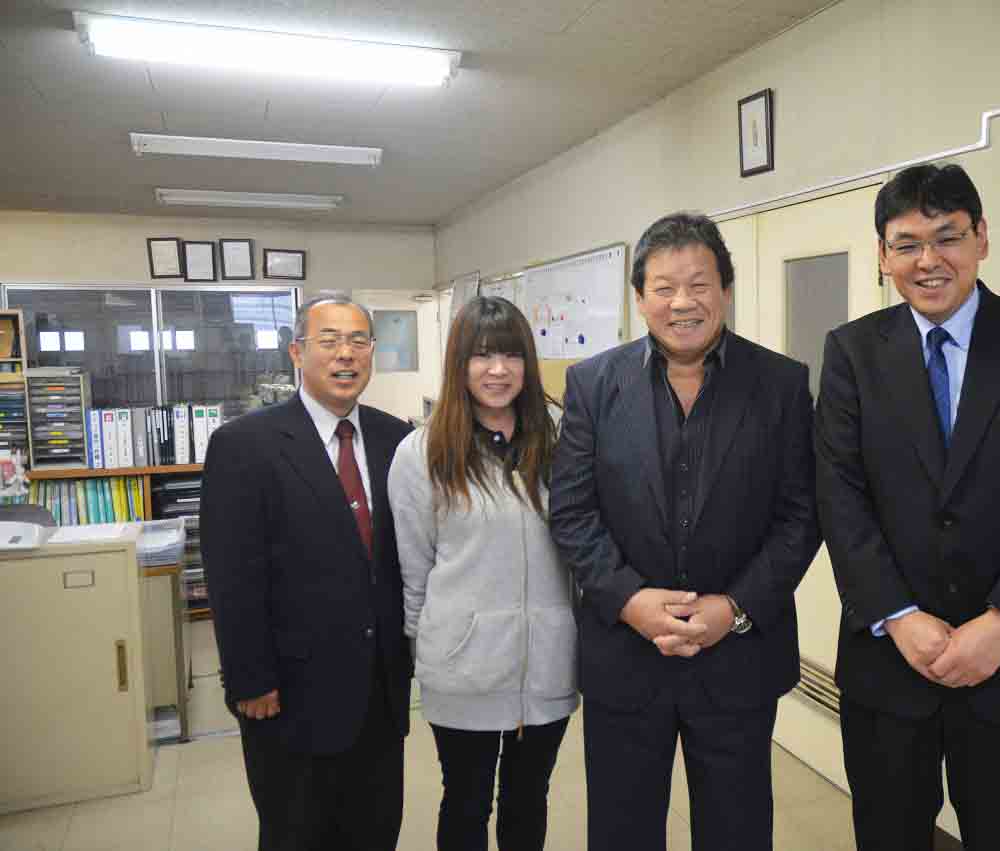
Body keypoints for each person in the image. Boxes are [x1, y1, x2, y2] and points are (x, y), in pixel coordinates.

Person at [814, 163, 1000, 851]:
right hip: (891, 664)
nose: (929, 260)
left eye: (947, 237)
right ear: (883, 256)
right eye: (907, 243)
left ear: (982, 238)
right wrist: (899, 615)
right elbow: (840, 494)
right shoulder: (853, 352)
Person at [550, 212, 821, 851]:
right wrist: (630, 601)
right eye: (664, 287)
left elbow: (802, 514)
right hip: (626, 656)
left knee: (736, 831)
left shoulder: (781, 384)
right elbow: (573, 511)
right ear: (639, 298)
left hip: (737, 659)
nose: (682, 302)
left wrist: (737, 607)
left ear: (725, 289)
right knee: (622, 831)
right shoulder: (593, 385)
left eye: (699, 284)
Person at [202, 292, 413, 851]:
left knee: (376, 830)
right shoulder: (244, 445)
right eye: (330, 341)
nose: (346, 354)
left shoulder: (397, 440)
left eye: (359, 341)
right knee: (297, 833)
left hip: (379, 690)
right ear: (297, 352)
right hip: (289, 695)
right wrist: (250, 678)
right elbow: (231, 573)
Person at [389, 296, 577, 851]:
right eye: (482, 356)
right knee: (466, 801)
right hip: (461, 664)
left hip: (546, 662)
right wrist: (424, 651)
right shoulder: (422, 452)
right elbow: (414, 569)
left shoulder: (561, 439)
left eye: (512, 355)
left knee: (529, 798)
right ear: (460, 364)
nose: (498, 370)